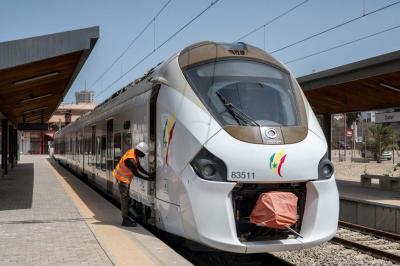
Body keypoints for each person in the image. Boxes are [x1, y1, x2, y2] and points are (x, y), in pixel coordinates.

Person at [112, 142, 154, 227]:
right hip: (122, 180)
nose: (144, 156)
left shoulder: (134, 153)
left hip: (125, 180)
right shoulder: (130, 159)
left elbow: (139, 166)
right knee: (124, 200)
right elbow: (136, 173)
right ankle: (125, 220)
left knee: (126, 199)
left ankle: (126, 218)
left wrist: (149, 174)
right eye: (143, 154)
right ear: (139, 151)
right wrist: (148, 179)